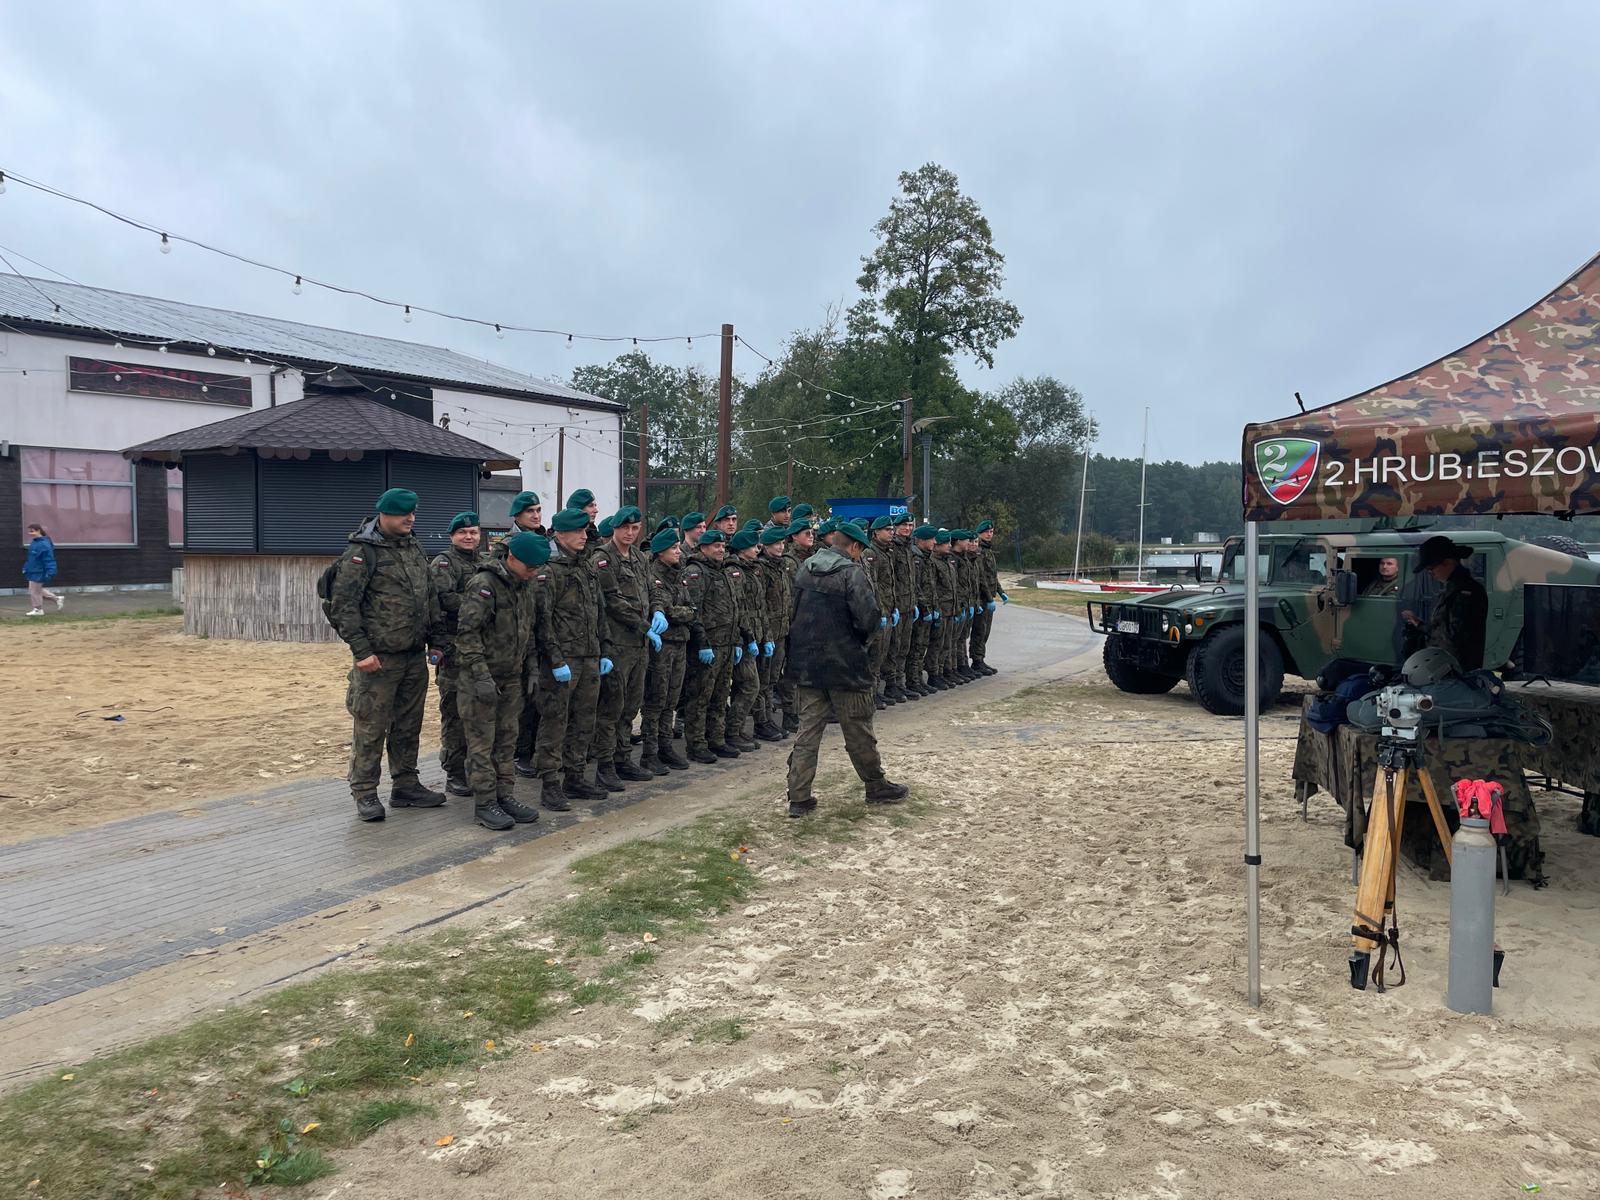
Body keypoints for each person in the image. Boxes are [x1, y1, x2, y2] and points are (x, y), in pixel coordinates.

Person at [326, 488, 446, 822]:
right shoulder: (362, 552)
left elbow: (429, 596)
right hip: (378, 660)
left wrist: (436, 641)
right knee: (371, 727)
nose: (410, 519)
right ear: (384, 514)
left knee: (408, 725)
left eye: (413, 513)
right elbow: (343, 606)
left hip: (413, 656)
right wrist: (361, 651)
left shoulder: (413, 547)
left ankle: (406, 786)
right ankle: (364, 792)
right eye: (403, 514)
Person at [784, 519, 908, 817]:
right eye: (859, 550)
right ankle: (875, 785)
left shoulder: (805, 568)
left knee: (807, 732)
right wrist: (861, 645)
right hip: (846, 666)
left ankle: (799, 798)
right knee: (858, 730)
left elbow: (791, 612)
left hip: (807, 666)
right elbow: (869, 620)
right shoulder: (852, 574)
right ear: (853, 547)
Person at [455, 531, 550, 830]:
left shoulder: (525, 585)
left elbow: (528, 632)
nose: (533, 572)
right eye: (529, 567)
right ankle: (485, 803)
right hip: (480, 679)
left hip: (511, 677)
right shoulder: (484, 584)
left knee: (507, 740)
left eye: (536, 568)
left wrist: (532, 669)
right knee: (482, 743)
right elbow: (467, 635)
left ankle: (504, 795)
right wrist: (481, 676)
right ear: (511, 558)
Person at [533, 507, 611, 810]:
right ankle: (550, 783)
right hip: (564, 660)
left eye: (585, 531)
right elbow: (542, 621)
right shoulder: (549, 570)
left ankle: (575, 776)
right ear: (560, 534)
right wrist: (555, 660)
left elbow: (598, 611)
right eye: (577, 532)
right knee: (555, 722)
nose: (583, 536)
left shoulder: (586, 567)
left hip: (589, 656)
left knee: (584, 719)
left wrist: (603, 650)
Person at [592, 506, 660, 790]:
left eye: (635, 528)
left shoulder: (640, 558)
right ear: (615, 529)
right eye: (625, 528)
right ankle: (605, 765)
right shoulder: (603, 559)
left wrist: (657, 610)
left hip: (639, 645)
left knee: (631, 706)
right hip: (618, 643)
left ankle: (622, 758)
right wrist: (644, 626)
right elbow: (612, 601)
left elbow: (652, 588)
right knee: (611, 708)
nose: (630, 533)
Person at [429, 511, 486, 797]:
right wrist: (483, 603)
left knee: (479, 713)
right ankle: (454, 772)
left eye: (473, 532)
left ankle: (475, 767)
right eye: (463, 532)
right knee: (454, 714)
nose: (469, 537)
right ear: (452, 536)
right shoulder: (444, 563)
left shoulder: (485, 562)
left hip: (481, 649)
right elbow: (445, 599)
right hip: (453, 649)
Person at [680, 528, 741, 762]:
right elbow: (694, 610)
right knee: (700, 697)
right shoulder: (695, 572)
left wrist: (736, 640)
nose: (721, 550)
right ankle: (696, 744)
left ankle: (716, 739)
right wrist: (702, 643)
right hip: (708, 646)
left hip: (727, 643)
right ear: (703, 548)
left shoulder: (723, 571)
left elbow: (733, 608)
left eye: (723, 546)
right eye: (716, 546)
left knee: (720, 695)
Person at [641, 528, 694, 775]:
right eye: (673, 548)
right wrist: (682, 612)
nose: (678, 551)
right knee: (656, 700)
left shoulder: (678, 574)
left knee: (671, 700)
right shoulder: (654, 576)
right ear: (661, 552)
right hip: (662, 647)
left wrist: (683, 612)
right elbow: (668, 610)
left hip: (680, 642)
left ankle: (665, 746)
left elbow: (690, 608)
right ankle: (649, 753)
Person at [1413, 535, 1488, 671]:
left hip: (1454, 668)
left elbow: (1455, 635)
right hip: (1445, 666)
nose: (1430, 574)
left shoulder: (1465, 591)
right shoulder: (1452, 589)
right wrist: (1420, 626)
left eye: (1431, 568)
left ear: (1447, 562)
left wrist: (1425, 631)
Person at [724, 528, 765, 751]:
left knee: (745, 685)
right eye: (752, 546)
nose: (757, 549)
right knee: (750, 685)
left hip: (752, 635)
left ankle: (737, 729)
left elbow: (758, 605)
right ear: (741, 549)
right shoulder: (735, 572)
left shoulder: (751, 569)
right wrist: (744, 639)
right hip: (741, 636)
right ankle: (732, 731)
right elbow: (738, 608)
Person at [755, 524, 792, 740]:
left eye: (782, 543)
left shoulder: (781, 566)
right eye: (776, 543)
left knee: (772, 679)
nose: (780, 547)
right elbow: (760, 605)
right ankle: (761, 721)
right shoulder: (761, 569)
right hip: (766, 633)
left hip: (781, 631)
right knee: (762, 680)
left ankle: (768, 719)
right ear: (766, 546)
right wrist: (765, 635)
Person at [865, 517, 899, 709]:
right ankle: (871, 694)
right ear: (876, 532)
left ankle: (878, 691)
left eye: (891, 529)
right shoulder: (871, 553)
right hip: (880, 612)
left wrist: (893, 607)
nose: (891, 532)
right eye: (887, 530)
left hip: (889, 609)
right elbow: (874, 585)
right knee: (875, 656)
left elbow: (890, 584)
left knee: (885, 653)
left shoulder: (887, 552)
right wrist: (882, 611)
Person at [971, 520, 1006, 675]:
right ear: (979, 533)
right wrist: (989, 598)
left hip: (989, 596)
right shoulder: (979, 551)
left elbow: (992, 576)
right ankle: (976, 661)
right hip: (982, 597)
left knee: (985, 631)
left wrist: (1000, 591)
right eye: (986, 532)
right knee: (979, 630)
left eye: (991, 532)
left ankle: (981, 658)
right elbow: (981, 577)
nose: (989, 534)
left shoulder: (989, 551)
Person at [907, 524, 938, 695]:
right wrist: (924, 609)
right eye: (931, 539)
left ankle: (918, 679)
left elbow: (931, 586)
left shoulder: (927, 558)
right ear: (922, 540)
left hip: (928, 609)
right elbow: (916, 586)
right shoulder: (916, 558)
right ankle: (912, 681)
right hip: (919, 610)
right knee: (916, 647)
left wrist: (934, 607)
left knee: (922, 645)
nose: (934, 542)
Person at [22, 524, 63, 615]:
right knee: (36, 590)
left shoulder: (44, 544)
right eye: (29, 531)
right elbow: (31, 558)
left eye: (32, 531)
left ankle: (38, 609)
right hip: (33, 570)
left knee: (34, 591)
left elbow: (49, 559)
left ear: (38, 531)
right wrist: (26, 567)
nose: (29, 533)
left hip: (40, 571)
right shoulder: (35, 542)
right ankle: (56, 599)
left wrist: (50, 571)